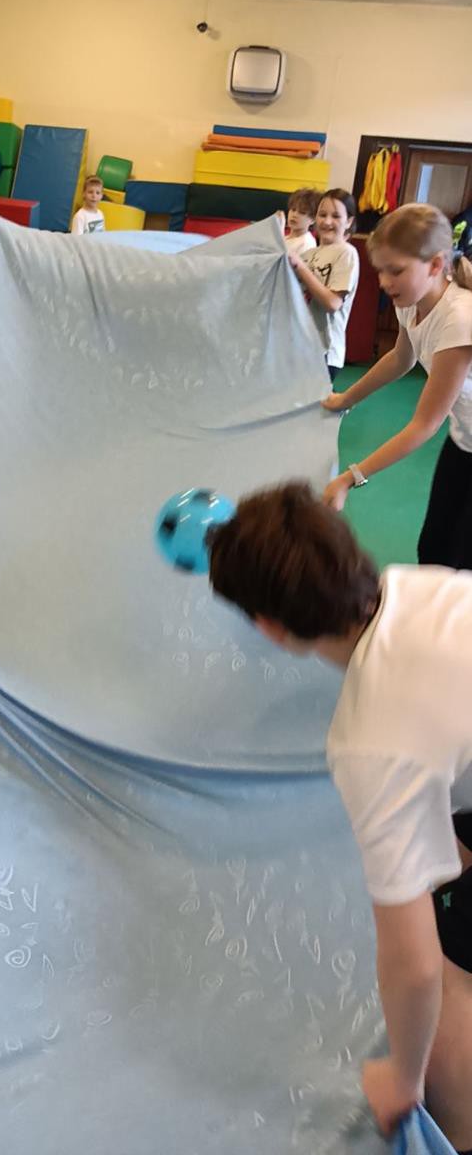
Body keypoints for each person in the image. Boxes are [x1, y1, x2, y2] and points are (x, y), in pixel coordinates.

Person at [207, 481, 472, 1153]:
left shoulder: (370, 743)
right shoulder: (421, 587)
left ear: (269, 628)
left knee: (445, 982)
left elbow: (413, 967)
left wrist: (402, 1077)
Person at [322, 204, 472, 570]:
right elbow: (401, 358)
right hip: (464, 439)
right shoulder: (411, 302)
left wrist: (349, 478)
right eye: (381, 270)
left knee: (461, 561)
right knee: (434, 547)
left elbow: (424, 425)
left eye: (396, 271)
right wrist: (345, 398)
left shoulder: (459, 318)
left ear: (436, 265)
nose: (384, 282)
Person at [286, 187, 360, 383]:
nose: (327, 222)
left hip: (325, 352)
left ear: (349, 221)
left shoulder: (346, 253)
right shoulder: (309, 255)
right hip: (300, 347)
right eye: (322, 215)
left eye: (336, 216)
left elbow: (333, 303)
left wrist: (300, 267)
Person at [282, 187, 318, 261]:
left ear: (313, 219)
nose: (294, 215)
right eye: (293, 209)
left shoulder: (307, 243)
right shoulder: (285, 237)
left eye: (302, 212)